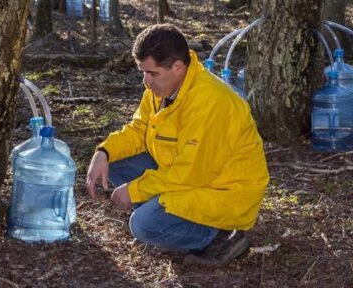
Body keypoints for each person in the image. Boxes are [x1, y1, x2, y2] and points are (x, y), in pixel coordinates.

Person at [86, 23, 269, 266]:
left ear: (178, 67)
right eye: (143, 72)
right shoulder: (162, 88)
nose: (145, 81)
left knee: (142, 225)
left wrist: (135, 190)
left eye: (151, 73)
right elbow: (140, 129)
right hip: (187, 175)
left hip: (222, 192)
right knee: (114, 164)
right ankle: (169, 223)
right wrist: (104, 151)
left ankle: (222, 235)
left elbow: (190, 173)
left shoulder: (211, 102)